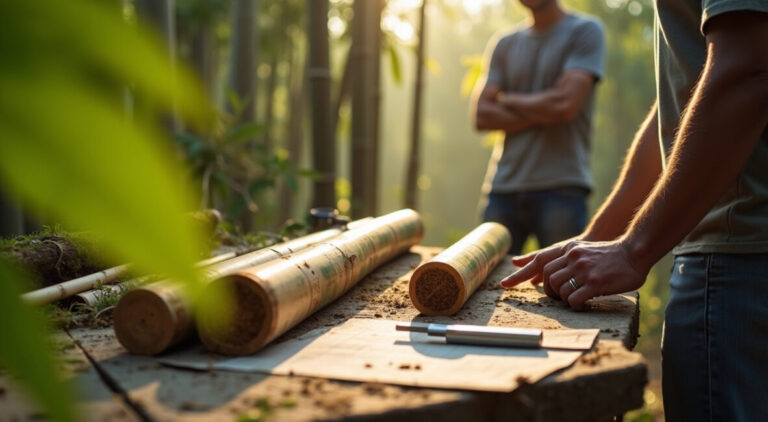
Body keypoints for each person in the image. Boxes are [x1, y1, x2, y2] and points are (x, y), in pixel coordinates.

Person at [499, 1, 768, 419]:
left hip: (740, 264)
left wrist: (633, 250)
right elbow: (684, 107)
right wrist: (601, 238)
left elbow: (745, 72)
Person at [472, 0, 605, 256]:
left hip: (562, 188)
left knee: (564, 288)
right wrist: (547, 109)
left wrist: (507, 100)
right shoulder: (504, 43)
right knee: (483, 284)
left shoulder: (585, 31)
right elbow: (481, 115)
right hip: (503, 188)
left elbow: (564, 105)